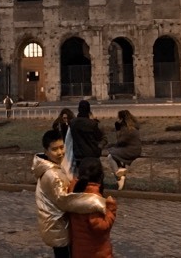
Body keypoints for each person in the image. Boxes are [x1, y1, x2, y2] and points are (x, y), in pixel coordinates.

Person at [32, 129, 106, 258]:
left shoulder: (51, 167)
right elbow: (64, 201)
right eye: (55, 149)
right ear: (46, 151)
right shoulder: (52, 174)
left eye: (62, 147)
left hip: (56, 225)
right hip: (59, 227)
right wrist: (96, 202)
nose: (60, 152)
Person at [68, 157, 117, 258]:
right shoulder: (94, 202)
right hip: (96, 252)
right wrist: (111, 209)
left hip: (78, 250)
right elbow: (101, 227)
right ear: (100, 176)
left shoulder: (73, 190)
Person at [106, 110, 141, 190]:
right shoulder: (133, 126)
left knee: (111, 156)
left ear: (121, 119)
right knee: (115, 155)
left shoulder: (126, 129)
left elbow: (120, 141)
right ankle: (121, 183)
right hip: (135, 149)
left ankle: (118, 177)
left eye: (118, 118)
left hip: (130, 150)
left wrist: (117, 130)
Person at [69, 100, 106, 175]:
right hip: (92, 154)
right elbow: (101, 137)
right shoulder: (92, 124)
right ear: (89, 110)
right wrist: (99, 147)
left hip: (78, 155)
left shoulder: (72, 123)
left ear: (78, 109)